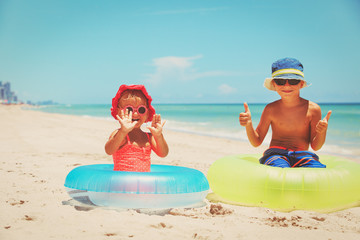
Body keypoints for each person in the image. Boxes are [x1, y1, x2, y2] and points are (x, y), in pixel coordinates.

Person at [239, 58, 331, 168]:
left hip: (303, 155)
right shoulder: (271, 109)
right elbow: (256, 141)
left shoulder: (313, 109)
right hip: (276, 153)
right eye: (280, 81)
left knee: (317, 170)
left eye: (293, 81)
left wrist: (322, 131)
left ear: (301, 84)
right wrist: (248, 124)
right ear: (274, 84)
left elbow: (316, 146)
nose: (287, 85)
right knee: (280, 167)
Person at [105, 84, 169, 172]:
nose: (135, 114)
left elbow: (163, 153)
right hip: (123, 183)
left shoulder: (149, 137)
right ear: (119, 112)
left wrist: (158, 136)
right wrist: (123, 132)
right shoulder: (120, 135)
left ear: (147, 113)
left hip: (143, 184)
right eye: (129, 110)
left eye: (141, 110)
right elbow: (109, 150)